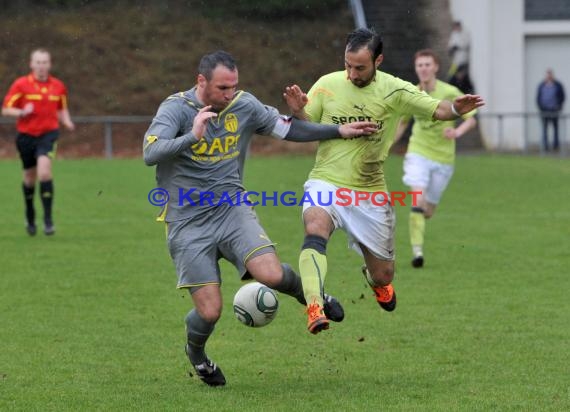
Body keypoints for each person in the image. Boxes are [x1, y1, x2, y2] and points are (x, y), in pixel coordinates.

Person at [142, 50, 377, 386]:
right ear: (201, 82)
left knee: (269, 273)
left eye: (233, 86)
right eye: (222, 88)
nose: (228, 94)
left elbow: (287, 129)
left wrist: (337, 132)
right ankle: (197, 355)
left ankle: (314, 297)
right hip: (187, 221)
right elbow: (150, 152)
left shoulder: (244, 105)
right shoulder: (175, 109)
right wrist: (191, 136)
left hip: (231, 209)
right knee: (209, 312)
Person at [283, 28, 484, 334]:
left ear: (378, 60)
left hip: (369, 191)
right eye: (348, 65)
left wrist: (456, 108)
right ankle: (314, 306)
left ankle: (376, 281)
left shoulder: (395, 90)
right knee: (315, 228)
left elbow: (437, 108)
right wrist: (298, 111)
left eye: (360, 67)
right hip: (326, 181)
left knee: (384, 274)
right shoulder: (327, 84)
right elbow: (308, 127)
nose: (351, 74)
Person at [394, 49, 478, 268]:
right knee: (416, 198)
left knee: (427, 211)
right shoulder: (411, 93)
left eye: (427, 64)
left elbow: (471, 119)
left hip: (443, 158)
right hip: (418, 152)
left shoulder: (449, 91)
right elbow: (402, 123)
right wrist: (385, 147)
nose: (423, 68)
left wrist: (456, 133)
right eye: (419, 65)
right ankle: (417, 252)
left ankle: (421, 224)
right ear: (416, 69)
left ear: (436, 67)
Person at [2, 48, 75, 236]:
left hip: (48, 134)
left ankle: (48, 220)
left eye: (45, 62)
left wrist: (67, 121)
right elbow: (6, 109)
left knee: (44, 172)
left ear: (49, 64)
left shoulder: (58, 86)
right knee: (29, 178)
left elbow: (61, 108)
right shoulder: (21, 85)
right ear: (31, 64)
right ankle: (30, 213)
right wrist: (21, 112)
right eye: (38, 62)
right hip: (26, 136)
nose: (41, 66)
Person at [536, 69, 565, 151]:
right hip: (544, 111)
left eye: (550, 74)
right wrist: (541, 107)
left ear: (552, 75)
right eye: (547, 75)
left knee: (555, 128)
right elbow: (538, 98)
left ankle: (556, 146)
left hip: (554, 110)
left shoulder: (558, 85)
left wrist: (559, 106)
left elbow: (562, 96)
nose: (549, 76)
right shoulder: (541, 85)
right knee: (544, 129)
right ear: (546, 76)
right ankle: (545, 146)